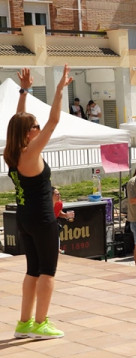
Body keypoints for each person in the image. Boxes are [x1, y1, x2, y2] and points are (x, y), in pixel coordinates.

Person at [5, 66, 71, 339]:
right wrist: (58, 91)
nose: (39, 127)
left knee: (33, 270)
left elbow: (18, 120)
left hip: (25, 217)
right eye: (34, 126)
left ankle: (24, 323)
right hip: (42, 218)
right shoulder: (31, 151)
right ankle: (41, 323)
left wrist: (24, 91)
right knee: (47, 271)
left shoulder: (12, 152)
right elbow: (54, 122)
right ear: (27, 132)